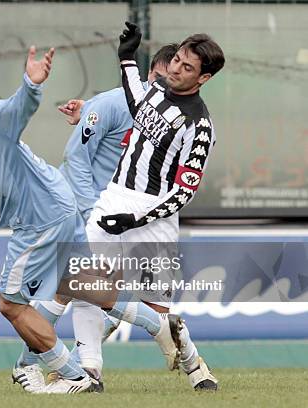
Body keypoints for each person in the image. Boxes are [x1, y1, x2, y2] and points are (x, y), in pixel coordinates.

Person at [0, 46, 183, 394]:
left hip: (39, 216)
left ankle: (76, 377)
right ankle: (158, 324)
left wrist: (31, 83)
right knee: (81, 283)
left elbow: (15, 108)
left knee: (10, 303)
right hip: (58, 201)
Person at [15, 44, 180, 390]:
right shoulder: (112, 104)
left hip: (121, 219)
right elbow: (76, 157)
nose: (162, 88)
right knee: (74, 287)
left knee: (77, 289)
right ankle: (83, 362)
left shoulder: (173, 120)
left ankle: (58, 366)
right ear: (147, 75)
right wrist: (92, 212)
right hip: (79, 211)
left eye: (173, 82)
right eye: (159, 79)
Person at [87, 24, 224, 389]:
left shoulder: (200, 125)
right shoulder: (159, 87)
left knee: (157, 312)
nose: (176, 69)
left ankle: (194, 364)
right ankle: (87, 371)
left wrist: (137, 218)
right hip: (115, 195)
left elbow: (183, 193)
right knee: (82, 279)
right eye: (176, 60)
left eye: (187, 67)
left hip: (154, 216)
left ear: (204, 77)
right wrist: (127, 59)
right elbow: (138, 103)